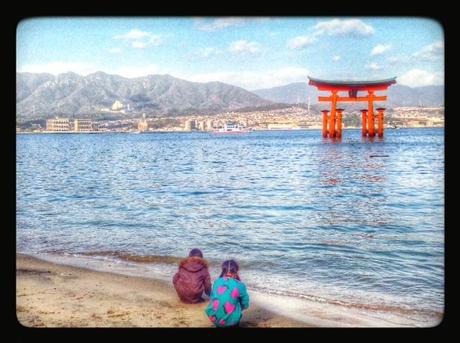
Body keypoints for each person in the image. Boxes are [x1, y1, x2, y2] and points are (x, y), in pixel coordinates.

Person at [205, 259, 250, 328]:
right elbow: (245, 304)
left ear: (223, 271)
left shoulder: (217, 282)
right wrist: (239, 308)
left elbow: (213, 297)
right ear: (236, 271)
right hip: (231, 322)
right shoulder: (240, 285)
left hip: (214, 317)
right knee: (236, 301)